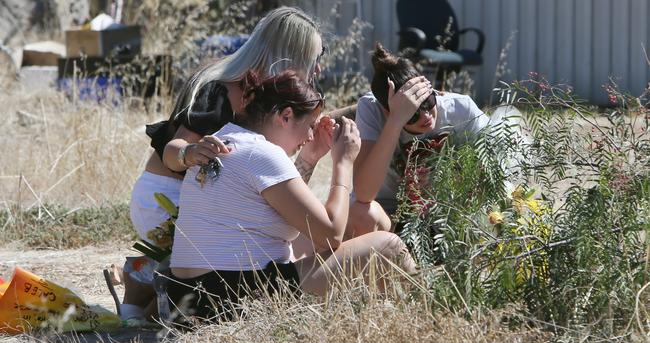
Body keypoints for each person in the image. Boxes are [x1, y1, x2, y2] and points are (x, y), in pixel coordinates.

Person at [123, 6, 331, 324]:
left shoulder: (258, 92)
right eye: (312, 60)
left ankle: (146, 284)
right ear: (290, 53)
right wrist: (190, 152)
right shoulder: (222, 87)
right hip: (167, 193)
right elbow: (172, 151)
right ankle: (145, 283)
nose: (315, 71)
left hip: (201, 192)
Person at [167, 71, 416, 324]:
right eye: (309, 126)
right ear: (285, 116)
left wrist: (308, 159)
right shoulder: (261, 153)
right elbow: (331, 234)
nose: (310, 136)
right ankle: (424, 312)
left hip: (189, 297)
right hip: (233, 298)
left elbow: (286, 210)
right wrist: (344, 162)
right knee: (389, 247)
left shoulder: (229, 137)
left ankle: (386, 314)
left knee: (363, 218)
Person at [348, 43, 490, 237]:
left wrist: (448, 178)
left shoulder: (461, 109)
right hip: (390, 213)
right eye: (412, 114)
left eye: (428, 102)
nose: (425, 117)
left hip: (447, 211)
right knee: (361, 213)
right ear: (386, 111)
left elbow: (495, 168)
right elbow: (364, 193)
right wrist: (395, 121)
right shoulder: (372, 110)